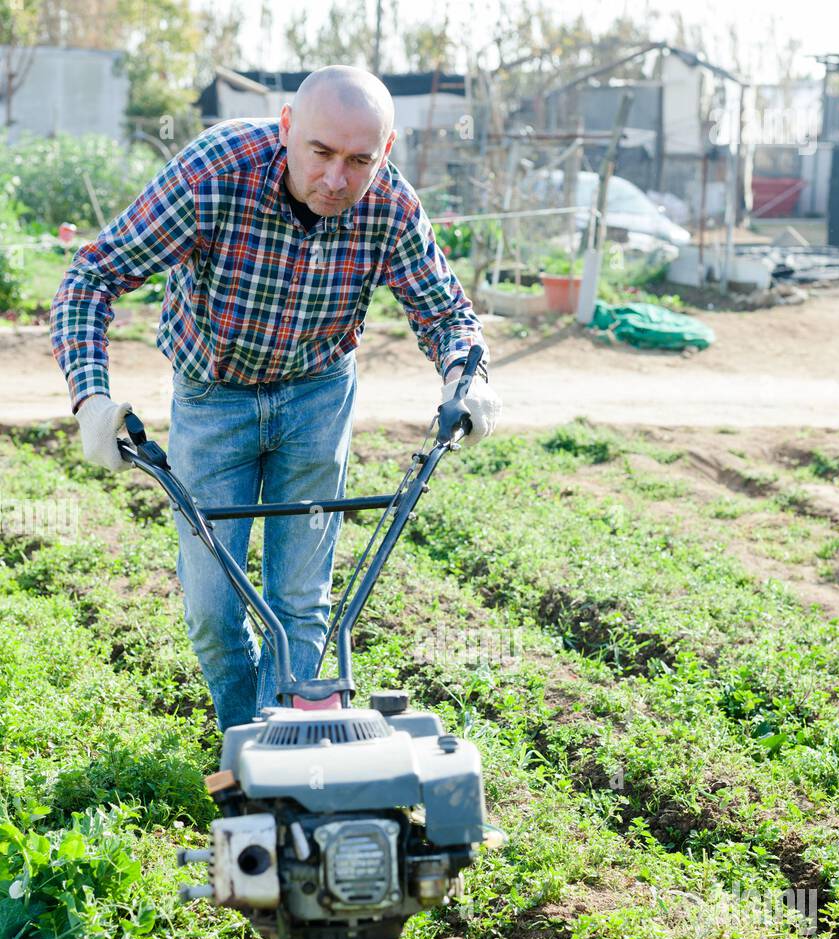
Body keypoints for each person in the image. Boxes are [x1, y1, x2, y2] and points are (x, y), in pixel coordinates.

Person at [50, 65, 501, 732]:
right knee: (212, 610)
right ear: (288, 127)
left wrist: (470, 383)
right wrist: (91, 398)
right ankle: (250, 736)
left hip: (318, 396)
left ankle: (273, 749)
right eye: (320, 153)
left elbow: (447, 316)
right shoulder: (214, 174)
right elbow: (93, 276)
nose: (336, 180)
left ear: (387, 150)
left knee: (301, 602)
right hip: (213, 399)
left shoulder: (392, 207)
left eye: (359, 161)